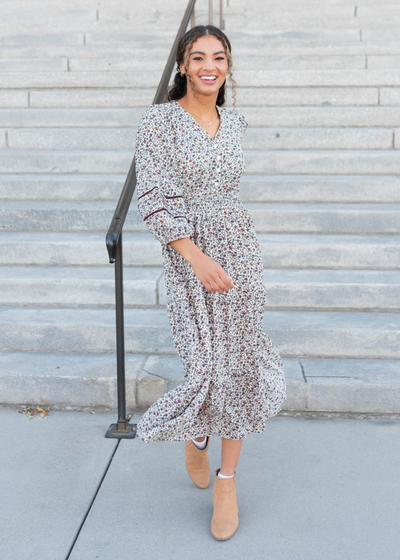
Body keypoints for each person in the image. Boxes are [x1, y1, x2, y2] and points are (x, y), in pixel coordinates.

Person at [133, 24, 287, 541]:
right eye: (197, 56)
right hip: (188, 258)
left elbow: (227, 193)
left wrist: (224, 254)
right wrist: (194, 256)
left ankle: (227, 481)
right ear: (182, 65)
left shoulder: (236, 121)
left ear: (227, 67)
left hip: (239, 252)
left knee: (238, 367)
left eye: (218, 57)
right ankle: (196, 433)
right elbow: (151, 196)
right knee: (206, 368)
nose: (208, 65)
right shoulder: (159, 122)